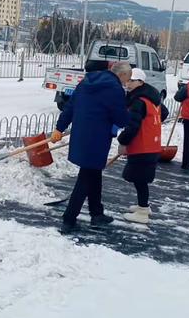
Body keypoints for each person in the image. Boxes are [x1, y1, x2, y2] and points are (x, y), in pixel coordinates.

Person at [51, 61, 132, 231]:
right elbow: (121, 119)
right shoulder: (115, 89)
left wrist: (60, 127)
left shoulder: (86, 81)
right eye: (127, 78)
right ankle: (69, 218)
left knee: (93, 173)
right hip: (98, 138)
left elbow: (70, 106)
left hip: (80, 135)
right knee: (86, 176)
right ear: (122, 75)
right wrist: (129, 115)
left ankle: (96, 213)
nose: (127, 82)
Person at [117, 68, 169, 224]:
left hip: (142, 146)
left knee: (139, 179)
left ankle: (143, 211)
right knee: (140, 179)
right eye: (127, 80)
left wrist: (123, 141)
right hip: (151, 145)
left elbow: (132, 126)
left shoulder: (139, 100)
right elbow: (163, 114)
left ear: (141, 82)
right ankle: (143, 207)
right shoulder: (152, 97)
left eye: (131, 80)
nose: (128, 83)